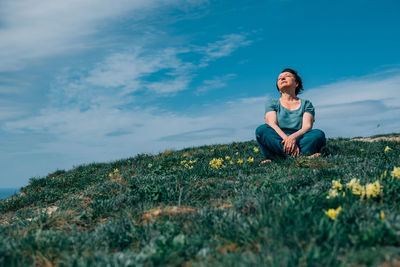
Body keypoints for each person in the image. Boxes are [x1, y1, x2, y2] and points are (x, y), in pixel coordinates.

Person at [255, 68, 326, 165]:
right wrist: (287, 140)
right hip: (278, 138)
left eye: (287, 76)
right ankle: (302, 157)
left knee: (318, 134)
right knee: (262, 130)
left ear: (296, 84)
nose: (282, 78)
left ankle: (279, 158)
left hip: (299, 138)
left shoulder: (306, 104)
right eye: (279, 78)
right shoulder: (272, 103)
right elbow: (272, 124)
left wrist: (292, 138)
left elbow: (307, 127)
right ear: (279, 88)